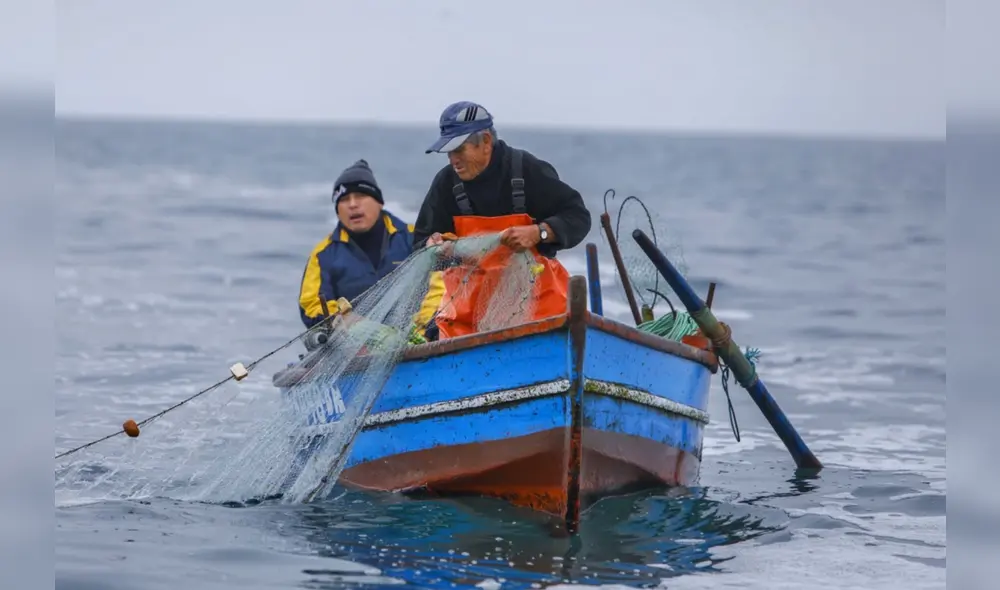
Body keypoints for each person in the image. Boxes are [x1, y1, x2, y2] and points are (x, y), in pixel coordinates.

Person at [411, 101, 592, 340]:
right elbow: (419, 244)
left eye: (459, 149)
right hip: (467, 321)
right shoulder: (446, 184)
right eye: (449, 152)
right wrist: (432, 246)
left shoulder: (526, 170)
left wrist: (540, 233)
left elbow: (577, 216)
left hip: (540, 313)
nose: (453, 160)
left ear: (486, 141)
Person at [298, 159, 416, 330]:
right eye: (344, 199)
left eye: (360, 196)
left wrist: (421, 329)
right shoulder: (323, 254)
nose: (353, 204)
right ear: (337, 210)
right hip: (351, 346)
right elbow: (311, 304)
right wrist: (342, 318)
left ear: (379, 201)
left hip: (418, 339)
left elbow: (439, 288)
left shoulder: (415, 238)